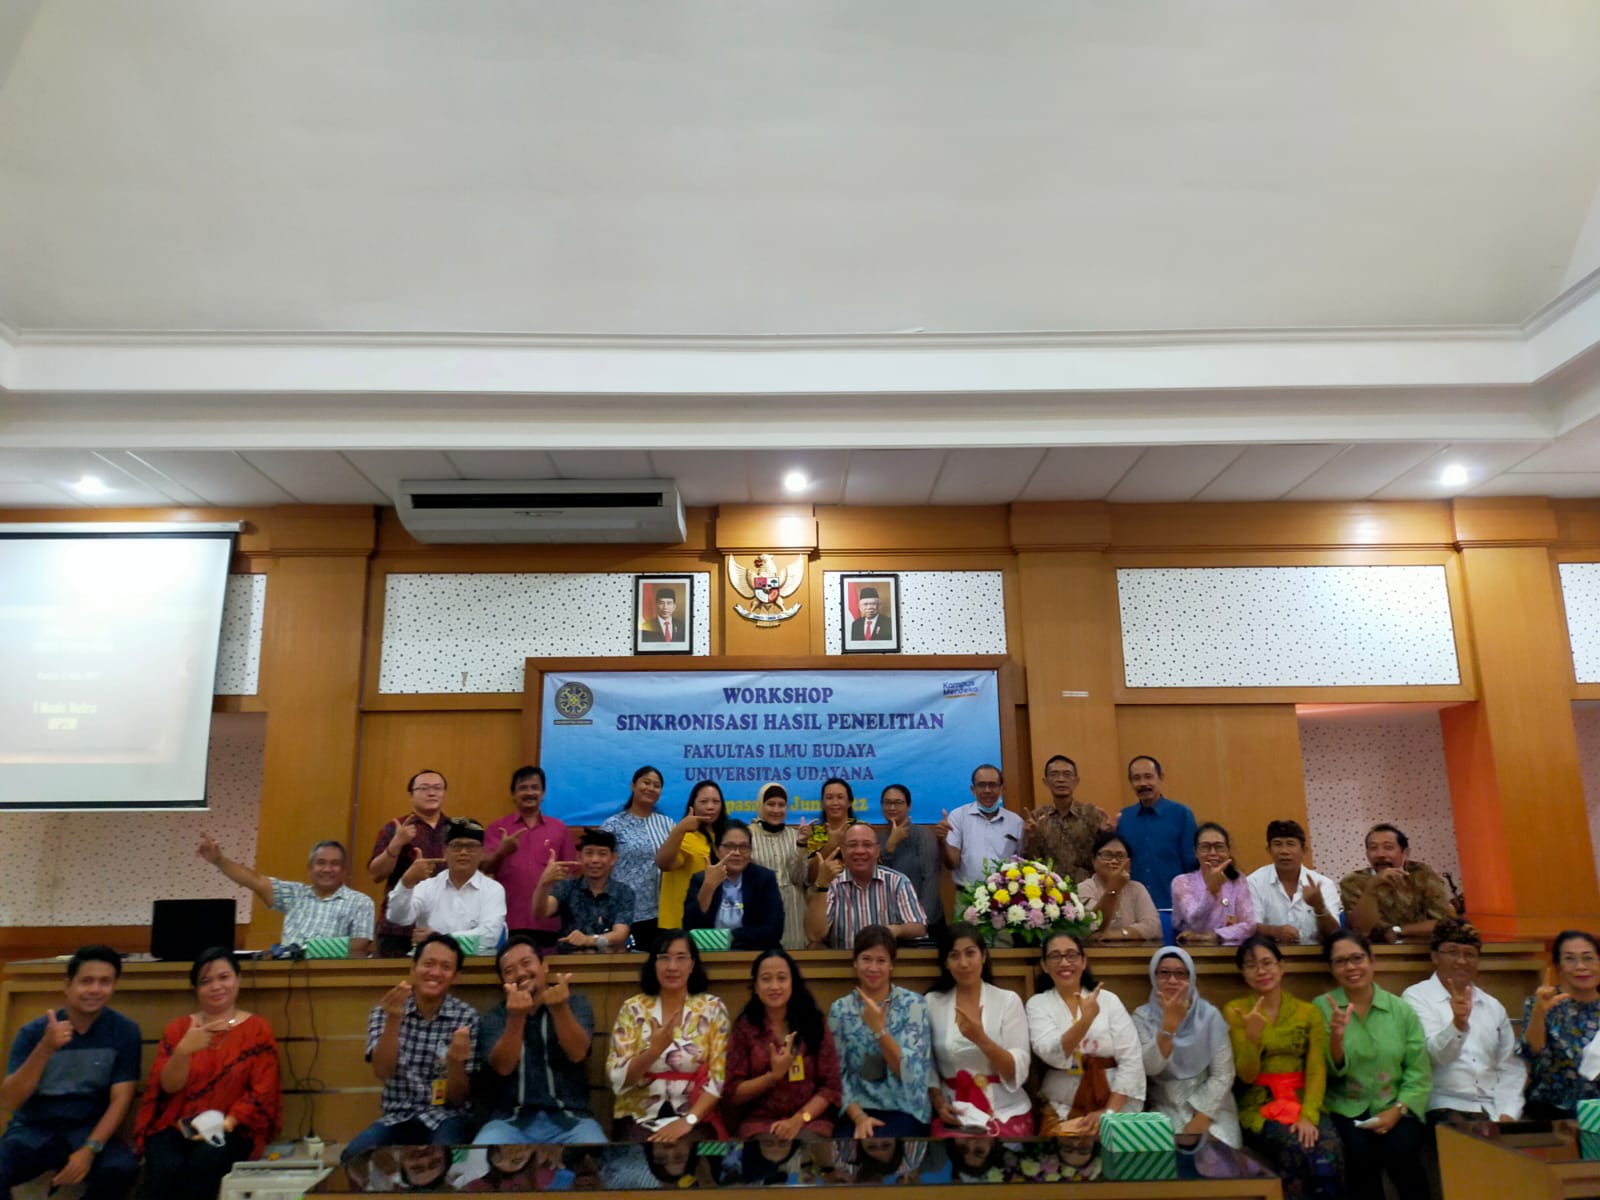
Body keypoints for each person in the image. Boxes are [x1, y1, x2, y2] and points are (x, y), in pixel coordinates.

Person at [134, 947, 281, 1200]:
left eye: (224, 977)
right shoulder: (178, 1029)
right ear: (196, 989)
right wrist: (183, 1051)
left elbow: (262, 1090)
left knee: (204, 1162)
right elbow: (167, 1088)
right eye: (205, 981)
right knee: (166, 1167)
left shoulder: (257, 1029)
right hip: (177, 1125)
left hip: (233, 1128)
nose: (216, 986)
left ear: (238, 979)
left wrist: (225, 1124)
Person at [0, 945, 140, 1200]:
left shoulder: (125, 1032)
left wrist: (90, 1149)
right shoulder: (33, 1032)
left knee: (122, 1168)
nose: (95, 989)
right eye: (86, 981)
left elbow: (121, 1100)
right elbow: (9, 1101)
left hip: (88, 1127)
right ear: (68, 985)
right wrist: (45, 1048)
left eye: (105, 982)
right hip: (34, 1128)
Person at [1313, 931, 1431, 1200]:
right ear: (1331, 969)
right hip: (1345, 1106)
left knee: (1403, 1151)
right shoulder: (1322, 1007)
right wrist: (1336, 1039)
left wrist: (1398, 1110)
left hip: (1396, 1104)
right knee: (1358, 1154)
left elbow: (1419, 1072)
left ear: (1372, 960)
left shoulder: (1401, 1010)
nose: (1351, 967)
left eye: (1357, 958)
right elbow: (1324, 1072)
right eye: (1340, 961)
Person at [342, 933, 480, 1160]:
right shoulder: (385, 1010)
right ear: (413, 968)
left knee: (444, 1155)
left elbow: (458, 1099)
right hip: (397, 1116)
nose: (435, 972)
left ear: (456, 977)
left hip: (447, 1117)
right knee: (354, 1155)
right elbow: (382, 1071)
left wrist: (455, 1062)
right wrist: (394, 1019)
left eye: (446, 967)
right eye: (428, 964)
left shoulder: (467, 1018)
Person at [1225, 934, 1342, 1200]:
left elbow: (1316, 1069)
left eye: (1267, 962)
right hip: (1259, 1103)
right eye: (1251, 965)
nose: (1261, 971)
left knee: (1329, 1147)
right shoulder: (1236, 1010)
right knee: (1294, 1147)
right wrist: (1253, 1039)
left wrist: (1308, 1116)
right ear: (1243, 973)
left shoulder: (1308, 1012)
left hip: (1304, 1100)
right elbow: (1246, 1075)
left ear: (1282, 966)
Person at [475, 934, 606, 1145]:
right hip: (509, 1122)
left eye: (526, 963)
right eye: (509, 971)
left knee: (595, 1153)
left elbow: (578, 1053)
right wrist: (516, 1017)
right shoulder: (495, 1016)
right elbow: (503, 1067)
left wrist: (560, 1009)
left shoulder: (575, 1003)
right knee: (480, 1156)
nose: (520, 973)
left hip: (572, 1120)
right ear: (504, 983)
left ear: (544, 966)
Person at [607, 930, 731, 1141]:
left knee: (696, 1150)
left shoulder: (713, 1008)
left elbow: (718, 1078)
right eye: (664, 958)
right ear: (654, 964)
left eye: (681, 958)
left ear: (692, 965)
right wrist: (653, 1052)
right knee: (639, 1152)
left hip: (694, 1115)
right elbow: (617, 1078)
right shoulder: (633, 1009)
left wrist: (688, 1121)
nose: (672, 966)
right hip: (639, 1115)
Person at [1401, 916, 1524, 1123]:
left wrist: (1507, 1114)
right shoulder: (1416, 997)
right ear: (1434, 956)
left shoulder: (1493, 1006)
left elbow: (1510, 1068)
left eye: (1469, 954)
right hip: (1443, 1105)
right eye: (1452, 952)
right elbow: (1432, 1057)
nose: (1461, 961)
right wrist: (1457, 1026)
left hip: (1491, 1110)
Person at [1025, 931, 1143, 1136]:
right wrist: (1085, 1021)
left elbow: (1131, 1059)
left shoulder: (1108, 1000)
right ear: (1044, 965)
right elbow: (1050, 1053)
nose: (1064, 962)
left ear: (1083, 961)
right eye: (1055, 956)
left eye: (1071, 955)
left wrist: (1109, 1113)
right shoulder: (1038, 1004)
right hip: (1061, 1105)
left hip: (1114, 1102)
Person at [925, 923, 1033, 1137]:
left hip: (1005, 1109)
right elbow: (927, 1065)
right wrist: (939, 1103)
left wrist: (981, 1039)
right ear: (946, 963)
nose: (963, 963)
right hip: (954, 1109)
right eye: (954, 956)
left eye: (970, 953)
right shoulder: (932, 1003)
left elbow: (1017, 1070)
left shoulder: (1007, 1000)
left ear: (983, 956)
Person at [827, 925, 935, 1138]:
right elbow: (836, 1075)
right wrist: (859, 1117)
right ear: (855, 962)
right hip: (857, 1109)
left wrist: (879, 1030)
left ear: (892, 964)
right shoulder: (840, 1010)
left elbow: (911, 1072)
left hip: (905, 1108)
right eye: (866, 959)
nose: (873, 968)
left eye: (881, 961)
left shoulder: (913, 1005)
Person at [1132, 946, 1240, 1147]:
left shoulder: (1210, 1016)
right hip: (1165, 1107)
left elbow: (1223, 1074)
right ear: (1154, 977)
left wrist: (1200, 1120)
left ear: (1191, 978)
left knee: (1221, 1153)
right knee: (1162, 1153)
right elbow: (1149, 1068)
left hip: (1212, 1109)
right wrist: (1169, 1027)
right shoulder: (1142, 1017)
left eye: (1180, 974)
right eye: (1164, 973)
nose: (1172, 980)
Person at [727, 949, 842, 1137]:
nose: (774, 986)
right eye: (766, 979)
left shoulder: (814, 1023)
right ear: (755, 986)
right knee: (766, 1147)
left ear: (793, 983)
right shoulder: (745, 1028)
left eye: (782, 978)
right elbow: (733, 1093)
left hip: (810, 1120)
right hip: (760, 1122)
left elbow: (830, 1087)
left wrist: (799, 1119)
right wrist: (772, 1077)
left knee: (809, 1143)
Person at [197, 835, 374, 956]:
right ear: (310, 868)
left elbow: (360, 945)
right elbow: (255, 881)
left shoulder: (360, 902)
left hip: (331, 978)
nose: (327, 869)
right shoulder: (294, 894)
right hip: (287, 975)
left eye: (335, 864)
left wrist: (307, 949)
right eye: (321, 863)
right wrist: (219, 860)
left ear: (343, 870)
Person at [483, 765, 578, 946]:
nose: (529, 793)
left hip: (549, 921)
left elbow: (571, 875)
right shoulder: (498, 828)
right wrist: (502, 852)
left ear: (543, 793)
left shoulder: (559, 828)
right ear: (513, 794)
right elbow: (485, 868)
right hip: (508, 918)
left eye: (535, 788)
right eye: (523, 788)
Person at [385, 817, 507, 954]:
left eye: (471, 846)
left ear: (481, 853)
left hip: (476, 964)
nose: (463, 852)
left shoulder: (493, 889)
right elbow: (397, 917)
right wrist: (407, 882)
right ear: (445, 851)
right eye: (456, 846)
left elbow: (489, 937)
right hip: (432, 962)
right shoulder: (428, 887)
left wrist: (437, 939)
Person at [369, 769, 454, 956]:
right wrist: (396, 843)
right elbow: (376, 874)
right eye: (424, 788)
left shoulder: (455, 829)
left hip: (443, 925)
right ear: (411, 795)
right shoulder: (396, 828)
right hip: (398, 929)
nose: (431, 793)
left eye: (437, 788)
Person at [805, 823, 927, 949]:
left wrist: (896, 930)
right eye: (852, 845)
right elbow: (814, 935)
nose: (860, 851)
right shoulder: (831, 884)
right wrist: (822, 886)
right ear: (843, 851)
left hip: (886, 959)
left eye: (867, 845)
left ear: (877, 851)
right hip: (843, 959)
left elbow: (919, 927)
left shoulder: (897, 881)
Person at [1519, 929, 1600, 1118]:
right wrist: (1539, 1012)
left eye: (1588, 958)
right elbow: (1531, 1052)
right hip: (1551, 1112)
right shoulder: (1542, 1003)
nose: (1581, 966)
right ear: (1558, 967)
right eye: (1570, 959)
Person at [1339, 823, 1452, 943]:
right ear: (1367, 854)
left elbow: (1444, 923)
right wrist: (1371, 888)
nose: (1380, 854)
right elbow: (1360, 931)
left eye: (1388, 847)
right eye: (1373, 848)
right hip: (1373, 950)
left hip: (1421, 947)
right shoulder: (1353, 882)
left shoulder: (1424, 875)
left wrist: (1398, 930)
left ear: (1405, 853)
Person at [601, 766, 675, 948]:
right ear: (633, 786)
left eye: (656, 785)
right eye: (646, 783)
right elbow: (600, 867)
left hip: (660, 914)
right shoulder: (613, 825)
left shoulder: (668, 824)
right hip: (622, 914)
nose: (651, 788)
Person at [684, 820, 786, 950]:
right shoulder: (701, 879)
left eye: (743, 847)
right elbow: (690, 927)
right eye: (729, 846)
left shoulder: (764, 878)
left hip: (755, 952)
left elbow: (775, 929)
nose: (737, 853)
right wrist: (708, 887)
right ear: (716, 850)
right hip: (710, 953)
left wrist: (731, 936)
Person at [530, 829, 635, 953]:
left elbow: (620, 934)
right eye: (589, 853)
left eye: (602, 854)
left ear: (613, 858)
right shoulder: (567, 887)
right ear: (579, 857)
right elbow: (540, 912)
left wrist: (587, 940)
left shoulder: (623, 892)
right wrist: (544, 883)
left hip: (610, 960)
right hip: (570, 959)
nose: (595, 860)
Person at [1115, 755, 1197, 910]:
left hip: (1174, 908)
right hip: (1134, 909)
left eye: (1148, 777)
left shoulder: (1181, 814)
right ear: (1131, 782)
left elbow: (1191, 864)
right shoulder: (1124, 818)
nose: (1143, 783)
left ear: (1161, 778)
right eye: (1136, 778)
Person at [1245, 820, 1341, 946]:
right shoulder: (1254, 882)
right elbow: (1249, 927)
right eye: (1277, 844)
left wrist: (1319, 907)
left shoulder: (1324, 884)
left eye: (1291, 844)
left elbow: (1334, 934)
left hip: (1316, 955)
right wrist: (1275, 931)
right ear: (1269, 850)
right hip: (1270, 954)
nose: (1284, 851)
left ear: (1304, 850)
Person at [1021, 754, 1112, 884]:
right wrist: (1032, 837)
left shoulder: (1092, 814)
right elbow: (1030, 861)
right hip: (1050, 888)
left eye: (1067, 774)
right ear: (1045, 782)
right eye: (1054, 774)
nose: (1061, 779)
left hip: (1087, 887)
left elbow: (1104, 855)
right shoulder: (1037, 817)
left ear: (1076, 781)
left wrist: (1107, 834)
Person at [875, 783, 946, 941]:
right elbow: (877, 878)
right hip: (891, 924)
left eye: (898, 802)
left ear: (909, 806)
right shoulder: (877, 839)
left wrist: (920, 922)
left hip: (926, 922)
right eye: (887, 803)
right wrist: (890, 846)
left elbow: (931, 879)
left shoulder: (923, 835)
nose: (892, 807)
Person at [655, 780, 727, 929]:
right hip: (682, 925)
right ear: (692, 805)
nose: (710, 807)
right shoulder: (685, 837)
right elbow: (664, 864)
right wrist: (680, 829)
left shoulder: (726, 837)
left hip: (717, 923)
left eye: (716, 802)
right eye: (703, 801)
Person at [1171, 822, 1256, 947]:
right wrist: (1210, 891)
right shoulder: (1182, 882)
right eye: (1205, 847)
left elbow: (1250, 925)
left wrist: (1215, 935)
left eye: (1219, 847)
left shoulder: (1238, 880)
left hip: (1231, 949)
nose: (1213, 853)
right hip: (1192, 949)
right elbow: (1195, 923)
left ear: (1228, 851)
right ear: (1195, 852)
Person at [941, 764, 1025, 889]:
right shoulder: (958, 816)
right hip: (968, 893)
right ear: (973, 789)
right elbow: (952, 863)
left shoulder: (1016, 822)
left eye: (993, 785)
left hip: (1005, 894)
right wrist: (941, 841)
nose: (987, 790)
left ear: (1002, 789)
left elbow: (1022, 861)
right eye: (981, 785)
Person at [749, 783, 809, 951]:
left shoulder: (795, 836)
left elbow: (799, 878)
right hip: (761, 909)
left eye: (781, 805)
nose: (776, 810)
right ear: (761, 805)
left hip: (794, 912)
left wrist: (801, 844)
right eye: (771, 804)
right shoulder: (747, 835)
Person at [1077, 830, 1162, 942]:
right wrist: (1113, 890)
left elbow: (1154, 927)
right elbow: (1091, 926)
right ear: (1093, 860)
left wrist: (1121, 934)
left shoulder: (1137, 889)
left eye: (1120, 856)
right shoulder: (1083, 888)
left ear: (1129, 862)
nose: (1114, 861)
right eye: (1107, 855)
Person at [803, 777, 862, 880]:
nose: (835, 802)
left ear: (849, 802)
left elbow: (873, 866)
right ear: (822, 803)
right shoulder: (814, 833)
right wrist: (830, 845)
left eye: (840, 797)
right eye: (829, 798)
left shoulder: (862, 829)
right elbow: (809, 877)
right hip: (822, 888)